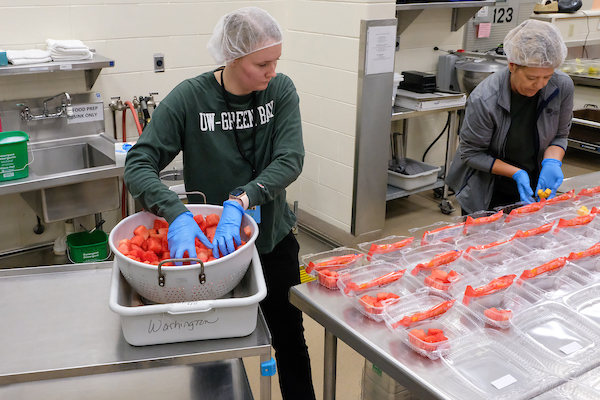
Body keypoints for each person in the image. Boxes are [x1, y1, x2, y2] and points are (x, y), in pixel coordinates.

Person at [123, 7, 316, 400]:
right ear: (232, 57)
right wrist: (174, 212)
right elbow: (139, 164)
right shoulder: (190, 99)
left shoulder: (280, 92)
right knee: (210, 352)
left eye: (276, 61)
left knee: (289, 342)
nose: (272, 71)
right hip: (211, 255)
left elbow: (290, 158)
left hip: (273, 240)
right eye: (262, 63)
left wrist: (243, 199)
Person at [446, 19, 574, 215]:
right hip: (487, 187)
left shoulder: (562, 86)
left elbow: (560, 135)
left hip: (534, 182)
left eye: (546, 77)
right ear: (512, 65)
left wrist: (552, 162)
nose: (539, 84)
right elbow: (471, 154)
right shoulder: (485, 98)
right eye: (531, 78)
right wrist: (516, 173)